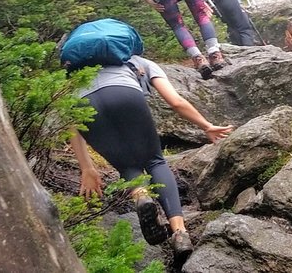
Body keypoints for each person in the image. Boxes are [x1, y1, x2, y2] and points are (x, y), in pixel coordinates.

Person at [68, 54, 234, 263]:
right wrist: (206, 125)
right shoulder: (137, 60)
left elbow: (71, 125)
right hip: (125, 93)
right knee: (155, 161)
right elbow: (175, 101)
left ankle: (141, 197)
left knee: (127, 167)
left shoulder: (75, 74)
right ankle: (180, 234)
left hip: (84, 104)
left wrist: (86, 167)